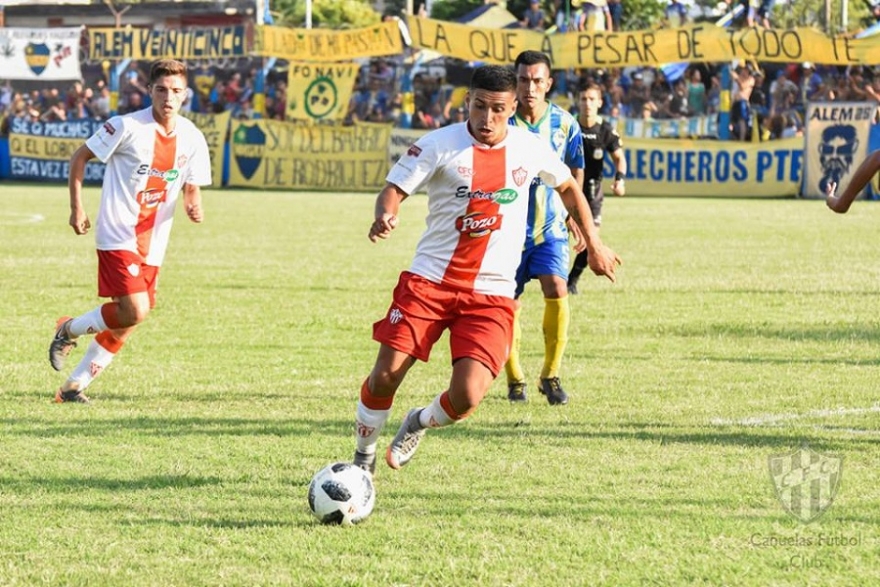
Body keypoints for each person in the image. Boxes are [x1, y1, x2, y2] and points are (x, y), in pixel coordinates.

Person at [350, 64, 621, 474]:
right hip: (430, 281)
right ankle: (362, 460)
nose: (487, 118)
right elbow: (394, 189)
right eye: (479, 106)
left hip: (491, 293)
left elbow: (568, 187)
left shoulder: (528, 147)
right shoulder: (439, 144)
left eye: (497, 109)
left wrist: (595, 244)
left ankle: (418, 421)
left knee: (467, 396)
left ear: (512, 108)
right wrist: (386, 215)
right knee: (386, 373)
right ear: (467, 102)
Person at [48, 59, 212, 404]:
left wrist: (192, 203)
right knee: (136, 309)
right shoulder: (125, 126)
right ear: (149, 90)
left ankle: (73, 387)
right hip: (118, 232)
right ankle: (68, 328)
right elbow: (79, 158)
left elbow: (192, 185)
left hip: (155, 241)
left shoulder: (192, 137)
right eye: (162, 89)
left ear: (186, 94)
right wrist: (77, 207)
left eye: (176, 91)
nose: (169, 97)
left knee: (129, 319)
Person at [504, 50, 586, 406]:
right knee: (509, 305)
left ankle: (550, 375)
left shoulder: (565, 124)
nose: (530, 87)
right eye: (523, 80)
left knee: (557, 287)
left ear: (548, 84)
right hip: (506, 233)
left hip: (550, 227)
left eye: (537, 81)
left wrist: (574, 213)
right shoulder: (502, 122)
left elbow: (576, 168)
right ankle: (515, 379)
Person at [567, 83, 626, 295]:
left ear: (600, 102)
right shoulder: (568, 125)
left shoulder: (605, 130)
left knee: (591, 240)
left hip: (592, 193)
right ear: (578, 101)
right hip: (566, 190)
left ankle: (571, 281)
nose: (587, 103)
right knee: (557, 237)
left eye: (592, 99)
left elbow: (619, 158)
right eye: (584, 99)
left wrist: (620, 180)